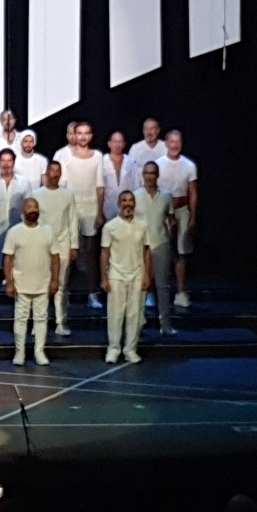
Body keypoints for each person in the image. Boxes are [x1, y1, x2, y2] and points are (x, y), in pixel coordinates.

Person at [3, 198, 61, 365]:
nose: (33, 210)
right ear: (23, 210)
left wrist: (55, 280)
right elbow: (8, 258)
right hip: (21, 284)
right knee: (20, 318)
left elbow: (56, 257)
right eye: (29, 207)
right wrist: (10, 282)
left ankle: (39, 352)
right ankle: (19, 353)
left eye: (35, 207)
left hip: (43, 283)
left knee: (41, 319)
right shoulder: (14, 232)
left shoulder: (48, 230)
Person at [100, 191, 151, 364]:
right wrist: (104, 277)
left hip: (137, 274)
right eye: (124, 200)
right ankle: (113, 349)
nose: (127, 204)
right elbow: (105, 252)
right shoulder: (110, 226)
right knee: (115, 313)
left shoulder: (143, 225)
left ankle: (130, 349)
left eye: (130, 201)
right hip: (116, 275)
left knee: (134, 314)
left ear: (134, 203)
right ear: (119, 203)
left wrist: (146, 275)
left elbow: (146, 251)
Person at [0, 148, 33, 311]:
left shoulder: (24, 183)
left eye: (9, 160)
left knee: (19, 266)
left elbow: (29, 206)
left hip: (17, 230)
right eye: (3, 160)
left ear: (13, 162)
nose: (6, 164)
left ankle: (21, 299)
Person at [60, 121, 105, 310]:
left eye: (86, 133)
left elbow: (100, 186)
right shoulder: (66, 158)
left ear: (91, 135)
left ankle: (92, 294)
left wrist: (100, 211)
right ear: (74, 135)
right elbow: (62, 187)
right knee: (69, 252)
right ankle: (64, 294)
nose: (83, 137)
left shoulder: (97, 157)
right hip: (71, 209)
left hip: (90, 208)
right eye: (79, 133)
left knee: (89, 253)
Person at [31, 161, 78, 336]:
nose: (55, 174)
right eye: (52, 171)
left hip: (63, 242)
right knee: (41, 284)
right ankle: (38, 323)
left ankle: (60, 322)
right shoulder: (36, 194)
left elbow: (72, 220)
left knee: (61, 285)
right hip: (42, 243)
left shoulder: (67, 195)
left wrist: (74, 245)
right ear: (47, 173)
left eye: (58, 171)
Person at [155, 130, 198, 308]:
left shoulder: (189, 165)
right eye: (171, 142)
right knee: (160, 251)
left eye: (177, 142)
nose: (174, 145)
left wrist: (193, 215)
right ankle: (157, 292)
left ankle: (180, 292)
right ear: (166, 143)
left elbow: (193, 192)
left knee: (181, 252)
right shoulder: (158, 164)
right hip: (163, 211)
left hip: (182, 210)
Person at [133, 161, 177, 335]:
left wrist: (171, 235)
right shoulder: (136, 196)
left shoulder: (166, 196)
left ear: (157, 175)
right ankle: (138, 323)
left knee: (162, 286)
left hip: (161, 243)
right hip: (141, 246)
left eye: (153, 173)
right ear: (143, 175)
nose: (149, 176)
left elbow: (171, 218)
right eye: (147, 173)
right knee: (141, 285)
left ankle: (165, 324)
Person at [101, 130, 142, 223]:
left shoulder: (131, 163)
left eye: (120, 142)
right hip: (107, 209)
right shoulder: (102, 162)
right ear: (109, 144)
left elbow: (137, 187)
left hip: (128, 209)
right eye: (115, 141)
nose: (117, 145)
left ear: (124, 144)